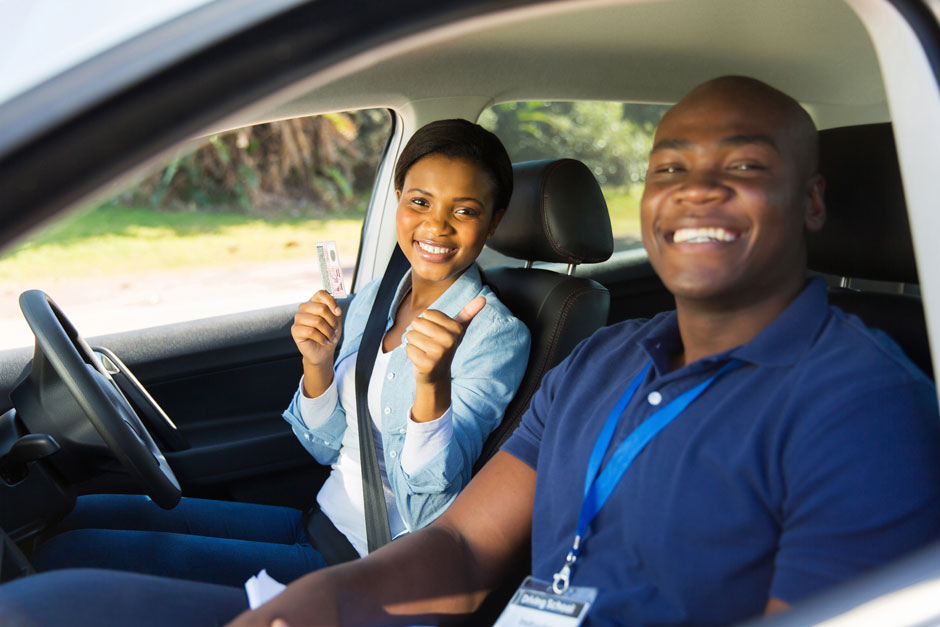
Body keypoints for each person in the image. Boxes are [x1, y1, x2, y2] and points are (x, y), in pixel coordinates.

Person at [2, 76, 939, 627]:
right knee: (57, 597)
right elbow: (456, 544)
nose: (695, 192)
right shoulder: (603, 362)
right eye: (669, 168)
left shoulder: (864, 406)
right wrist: (326, 606)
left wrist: (432, 387)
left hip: (376, 540)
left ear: (813, 203)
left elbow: (427, 500)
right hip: (376, 560)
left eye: (742, 168)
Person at [25, 119, 531, 586]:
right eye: (420, 202)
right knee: (79, 517)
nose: (436, 226)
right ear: (397, 198)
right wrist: (317, 361)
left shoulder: (494, 335)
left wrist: (431, 385)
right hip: (319, 523)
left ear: (494, 221)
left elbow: (429, 508)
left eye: (464, 211)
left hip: (372, 564)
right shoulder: (380, 295)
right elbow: (325, 447)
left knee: (70, 557)